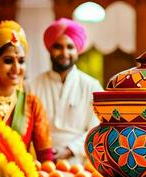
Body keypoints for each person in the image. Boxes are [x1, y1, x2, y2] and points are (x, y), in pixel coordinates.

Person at [25, 18, 103, 164]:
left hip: (78, 165)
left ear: (77, 50)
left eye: (70, 47)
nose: (64, 52)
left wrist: (69, 150)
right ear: (49, 49)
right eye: (58, 47)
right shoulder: (30, 86)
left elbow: (99, 129)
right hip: (39, 164)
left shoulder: (92, 86)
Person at [0, 20, 53, 162]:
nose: (17, 68)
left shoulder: (32, 104)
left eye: (21, 61)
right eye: (8, 60)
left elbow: (46, 157)